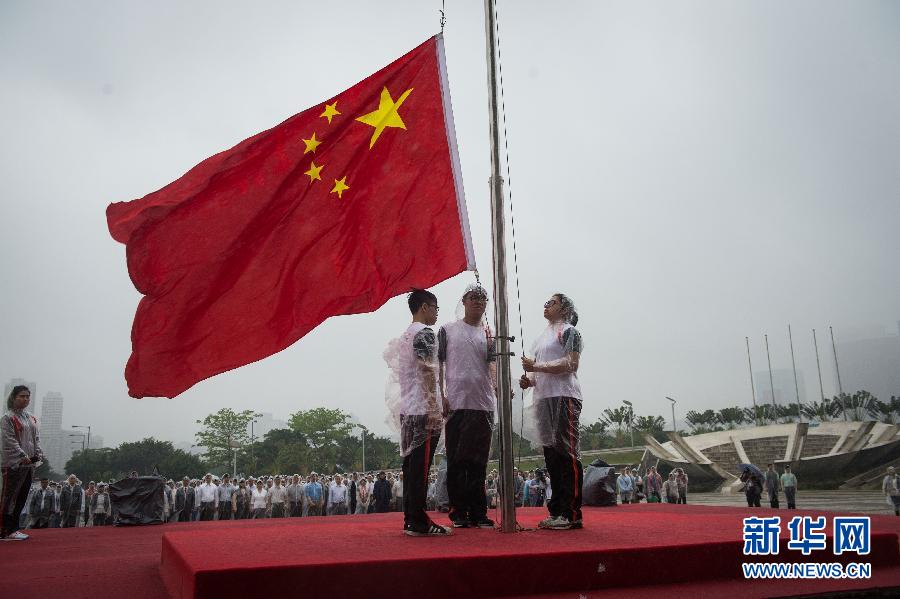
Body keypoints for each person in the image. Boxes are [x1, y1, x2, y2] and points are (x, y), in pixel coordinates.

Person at [387, 289, 450, 536]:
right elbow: (426, 371)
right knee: (420, 469)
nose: (436, 314)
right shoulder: (424, 334)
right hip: (423, 410)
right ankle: (419, 522)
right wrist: (434, 407)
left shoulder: (405, 336)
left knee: (412, 467)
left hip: (408, 410)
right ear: (424, 307)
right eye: (435, 308)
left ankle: (411, 518)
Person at [520, 293, 585, 530]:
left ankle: (571, 512)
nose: (546, 305)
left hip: (564, 396)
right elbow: (540, 373)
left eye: (552, 302)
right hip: (544, 399)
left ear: (565, 308)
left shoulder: (569, 331)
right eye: (545, 302)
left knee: (566, 454)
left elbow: (571, 364)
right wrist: (530, 380)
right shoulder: (541, 338)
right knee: (551, 456)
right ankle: (557, 510)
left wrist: (535, 367)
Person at [438, 283, 497, 529]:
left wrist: (498, 386)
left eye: (482, 299)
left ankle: (479, 512)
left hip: (482, 403)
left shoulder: (488, 333)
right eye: (473, 298)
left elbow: (492, 363)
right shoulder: (447, 330)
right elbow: (437, 364)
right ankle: (458, 511)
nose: (478, 302)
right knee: (457, 459)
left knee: (478, 461)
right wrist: (440, 394)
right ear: (464, 301)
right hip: (456, 402)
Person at [1, 385, 44, 541]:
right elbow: (9, 440)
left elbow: (36, 438)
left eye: (27, 396)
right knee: (9, 497)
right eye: (22, 396)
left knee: (22, 496)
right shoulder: (8, 418)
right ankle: (3, 529)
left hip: (29, 465)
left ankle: (14, 528)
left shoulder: (31, 418)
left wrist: (38, 453)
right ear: (13, 397)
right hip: (13, 464)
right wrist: (22, 454)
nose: (25, 399)